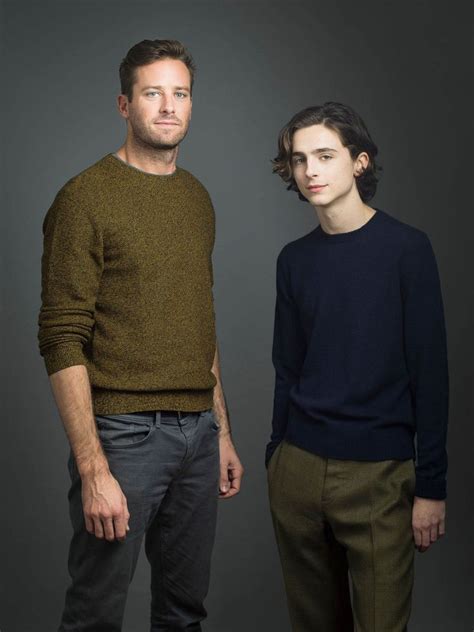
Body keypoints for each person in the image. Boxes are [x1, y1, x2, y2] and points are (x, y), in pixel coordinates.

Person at [38, 38, 244, 632]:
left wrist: (222, 431)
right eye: (153, 93)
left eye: (180, 93)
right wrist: (93, 467)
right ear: (125, 104)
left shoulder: (197, 199)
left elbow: (198, 322)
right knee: (96, 614)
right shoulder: (84, 198)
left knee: (183, 613)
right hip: (124, 438)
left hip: (199, 437)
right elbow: (61, 336)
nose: (169, 106)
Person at [266, 102, 448, 632]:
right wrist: (277, 454)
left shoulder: (407, 250)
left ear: (360, 162)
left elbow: (430, 373)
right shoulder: (293, 260)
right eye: (300, 160)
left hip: (379, 476)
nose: (311, 171)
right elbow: (287, 366)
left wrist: (432, 486)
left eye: (325, 155)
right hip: (297, 471)